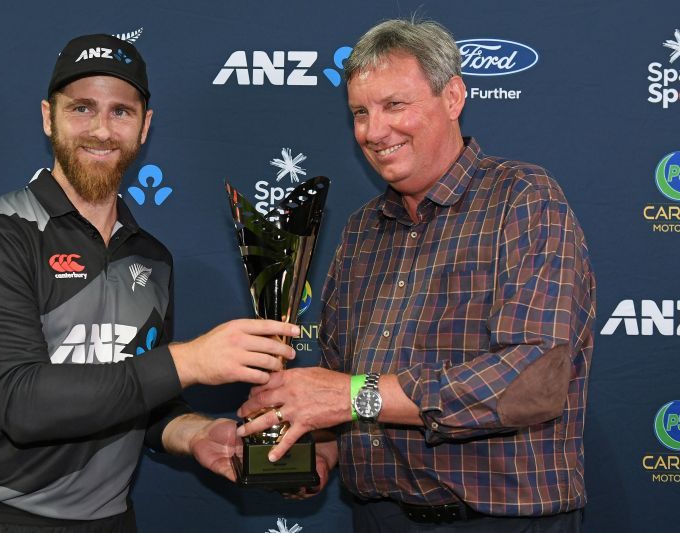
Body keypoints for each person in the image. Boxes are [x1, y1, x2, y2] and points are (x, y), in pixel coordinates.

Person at [0, 34, 299, 532]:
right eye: (81, 107)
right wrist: (190, 360)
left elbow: (143, 400)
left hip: (110, 521)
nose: (100, 130)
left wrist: (195, 433)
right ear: (47, 116)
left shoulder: (152, 258)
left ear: (145, 127)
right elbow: (22, 404)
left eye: (121, 112)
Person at [236, 19, 595, 532]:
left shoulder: (523, 197)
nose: (373, 131)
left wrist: (352, 395)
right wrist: (314, 453)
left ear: (453, 97)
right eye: (360, 112)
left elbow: (533, 381)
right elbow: (341, 382)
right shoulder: (361, 230)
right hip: (379, 518)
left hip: (500, 520)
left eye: (394, 105)